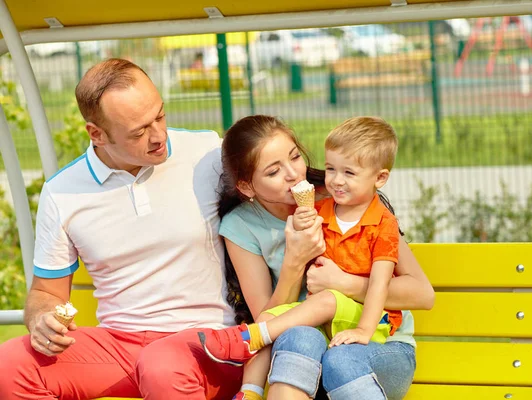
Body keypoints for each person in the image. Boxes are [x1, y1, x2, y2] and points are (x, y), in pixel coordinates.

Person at [0, 59, 328, 400]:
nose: (159, 136)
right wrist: (42, 318)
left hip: (211, 343)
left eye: (160, 115)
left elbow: (286, 186)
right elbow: (47, 294)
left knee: (162, 366)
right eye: (139, 131)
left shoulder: (207, 153)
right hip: (119, 347)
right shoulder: (62, 192)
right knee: (9, 365)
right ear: (96, 133)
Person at [205, 115, 435, 400]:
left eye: (295, 157)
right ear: (247, 186)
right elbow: (268, 319)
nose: (294, 174)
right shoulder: (241, 227)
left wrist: (341, 283)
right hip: (311, 351)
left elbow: (423, 295)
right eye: (274, 171)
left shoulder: (344, 198)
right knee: (295, 335)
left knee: (339, 358)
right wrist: (294, 261)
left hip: (377, 345)